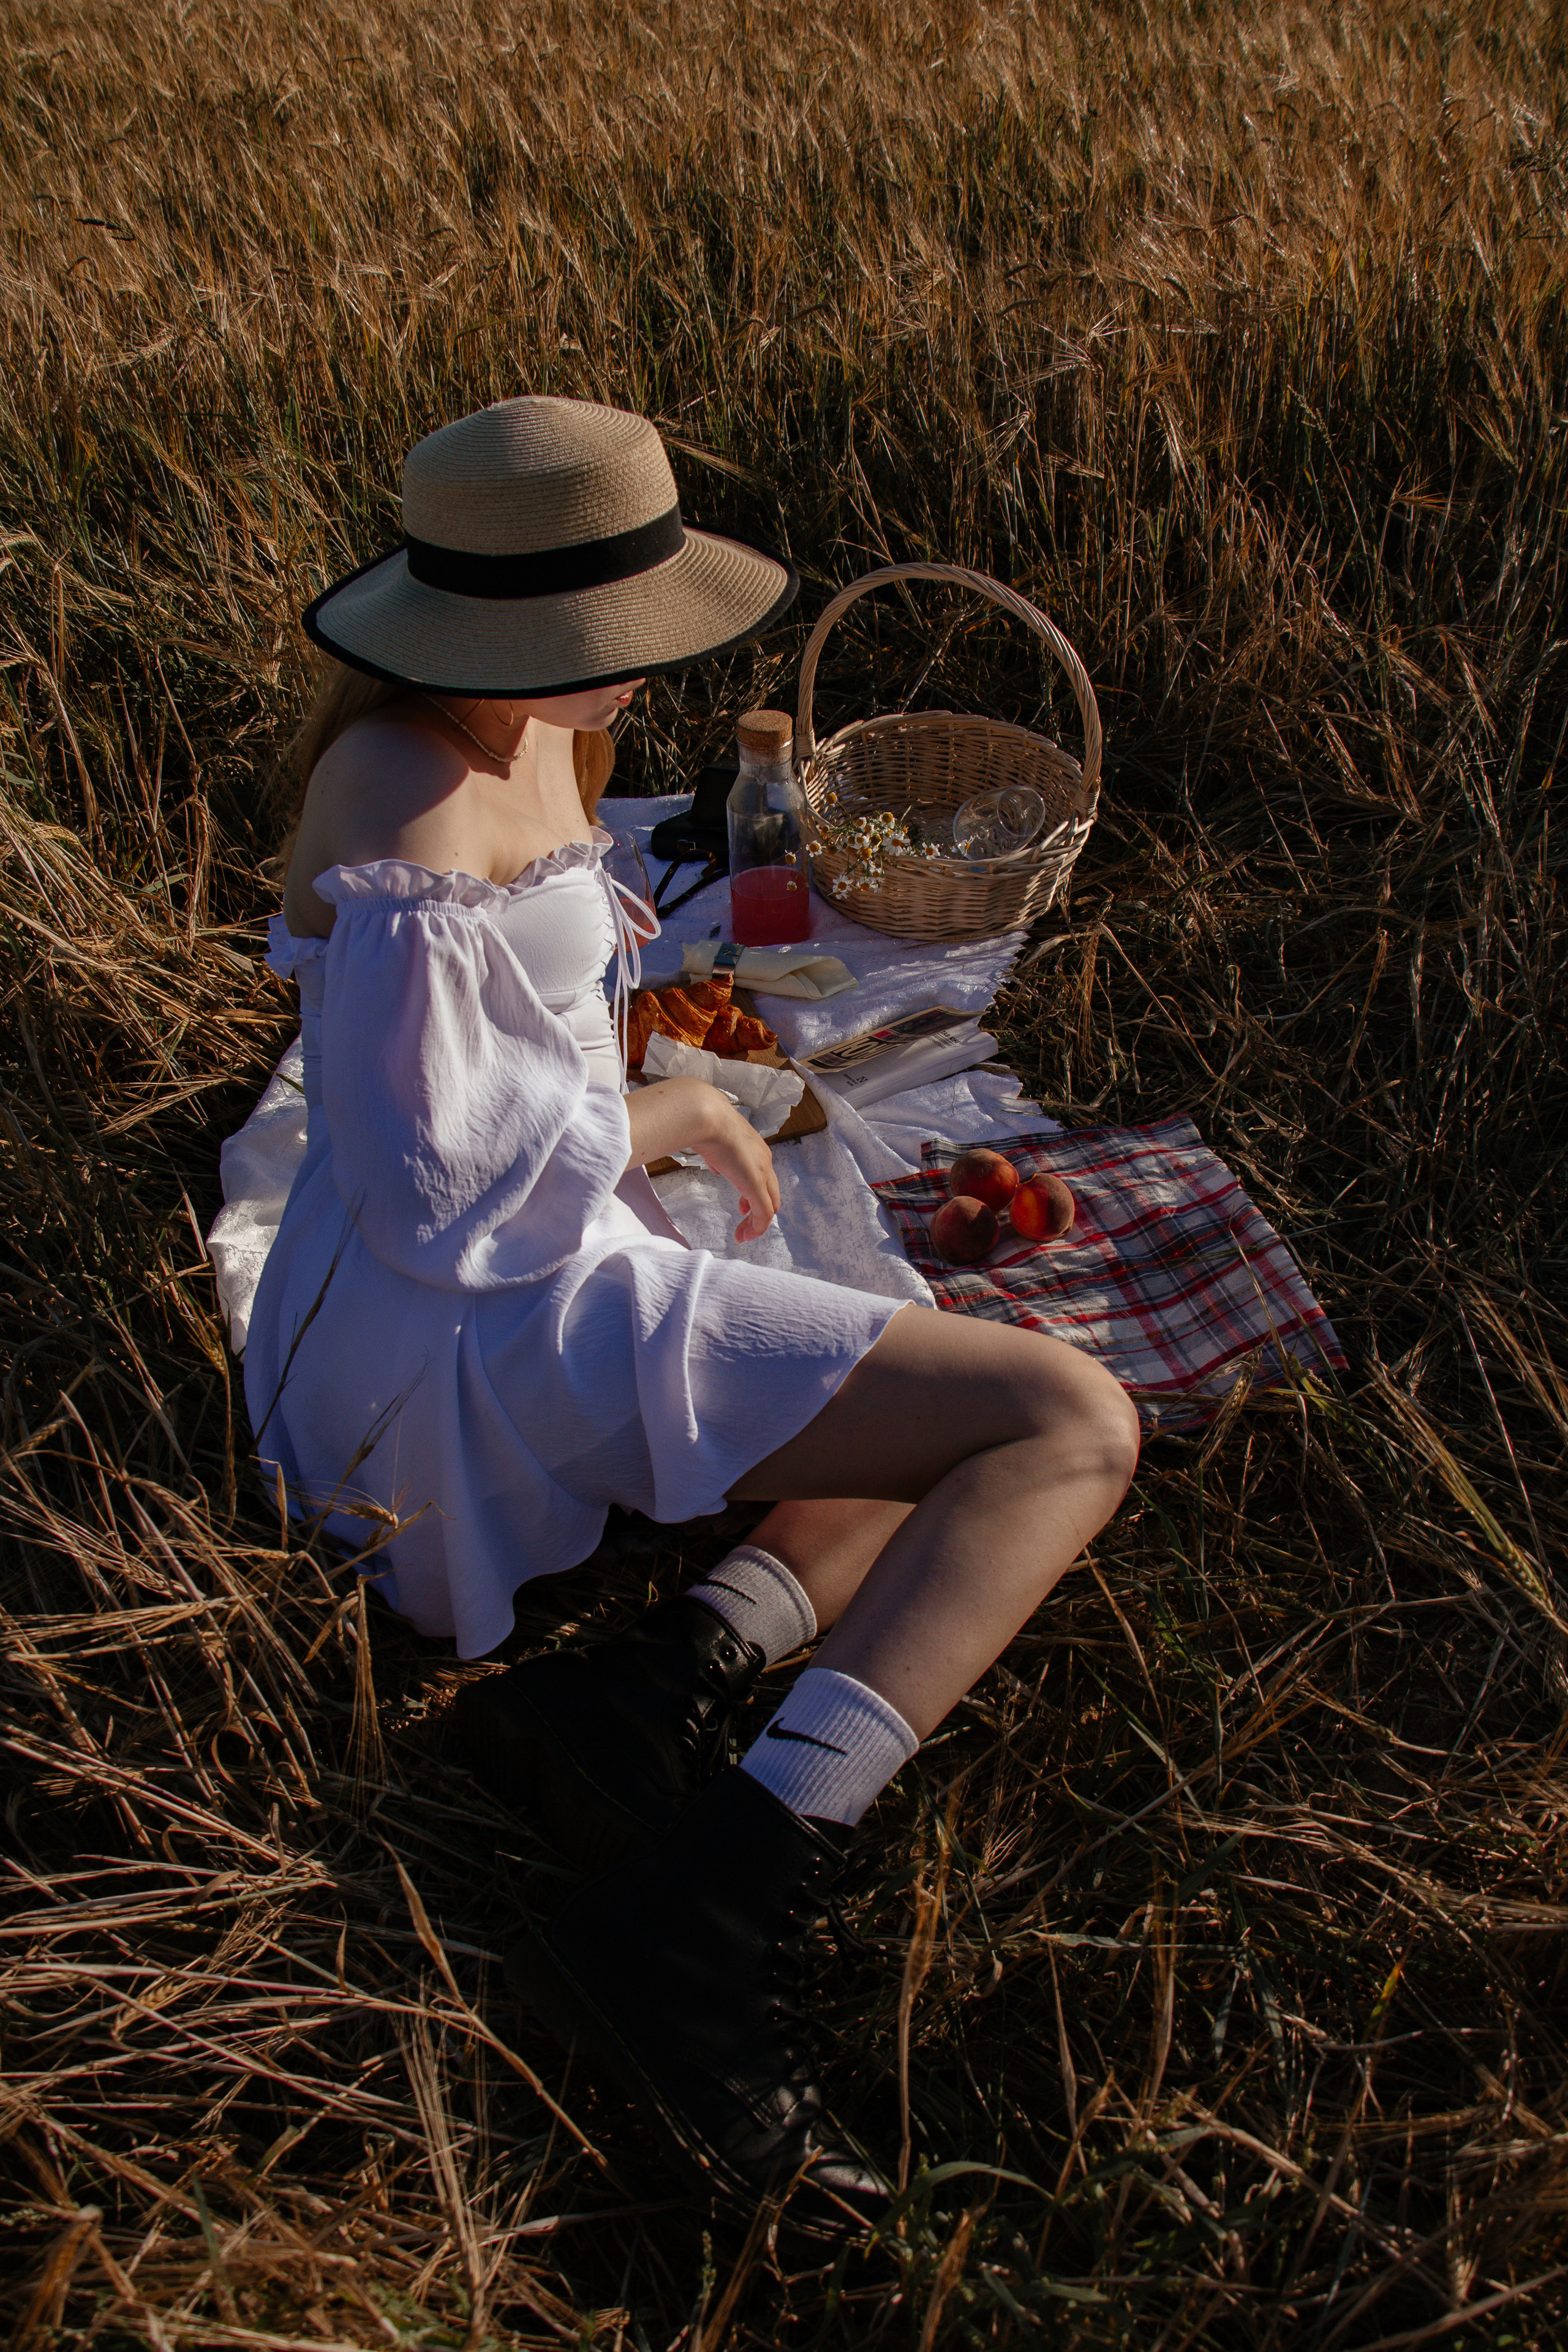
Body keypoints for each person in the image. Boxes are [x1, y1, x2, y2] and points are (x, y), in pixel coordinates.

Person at [254, 393, 1140, 2231]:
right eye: (602, 638)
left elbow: (515, 1051)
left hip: (529, 1253)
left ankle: (652, 1688)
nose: (630, 668)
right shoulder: (404, 790)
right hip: (469, 1333)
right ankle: (714, 1906)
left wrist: (639, 1092)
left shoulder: (521, 731)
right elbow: (435, 1191)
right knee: (1064, 1422)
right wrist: (650, 1113)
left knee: (893, 1350)